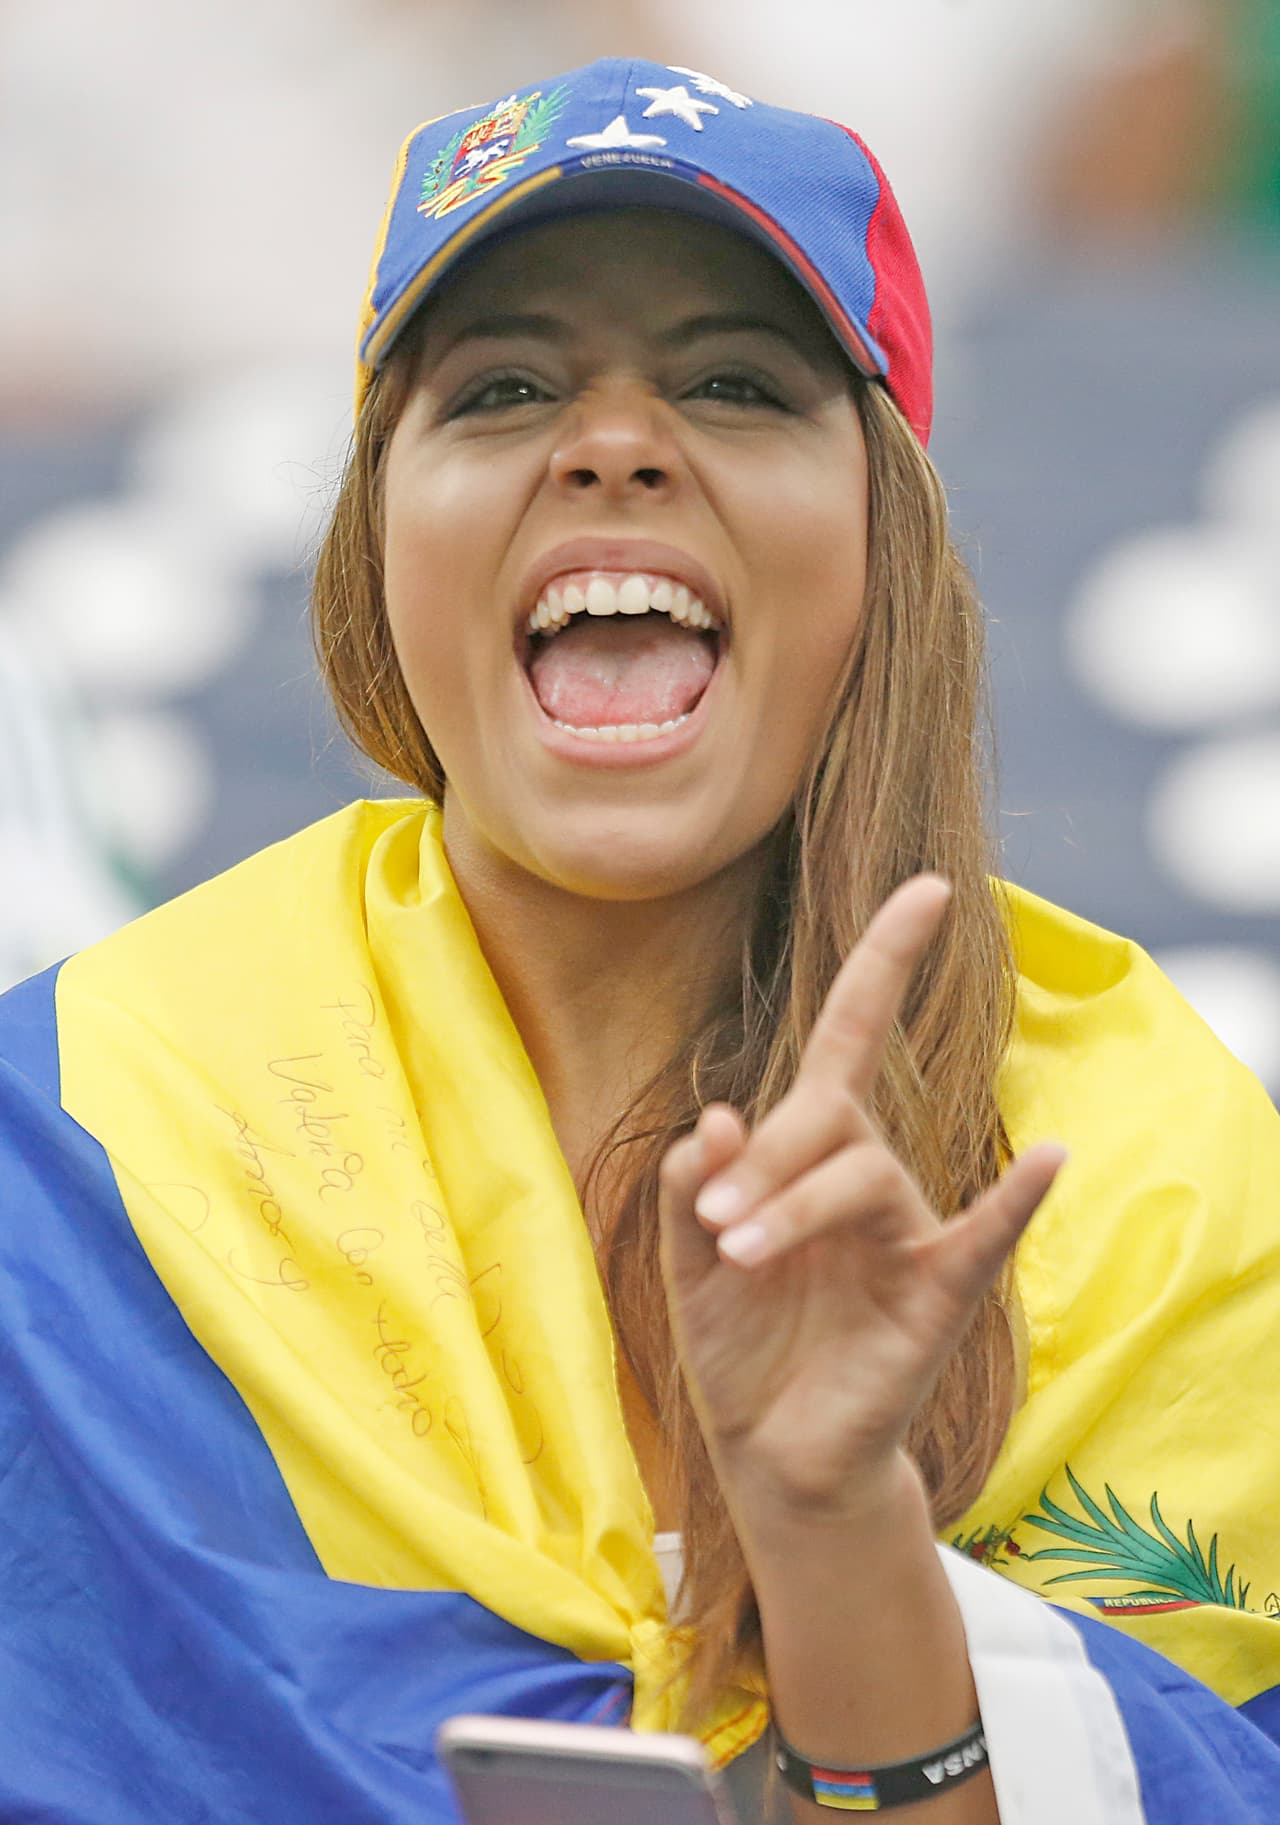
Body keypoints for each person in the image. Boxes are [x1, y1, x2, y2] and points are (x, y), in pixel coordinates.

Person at [0, 54, 1277, 1825]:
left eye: (738, 384)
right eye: (506, 386)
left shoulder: (1159, 1185)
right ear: (378, 545)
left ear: (884, 547)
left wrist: (840, 1539)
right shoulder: (78, 1125)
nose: (613, 444)